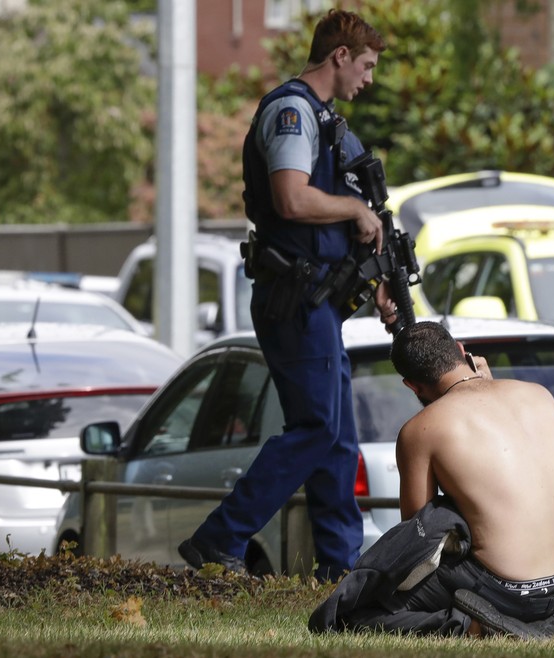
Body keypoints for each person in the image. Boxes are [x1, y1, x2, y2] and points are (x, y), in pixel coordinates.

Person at [179, 9, 396, 582]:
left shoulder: (326, 120)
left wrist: (376, 279)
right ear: (339, 56)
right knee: (316, 428)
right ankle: (219, 540)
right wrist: (354, 208)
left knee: (337, 436)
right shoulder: (293, 111)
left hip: (317, 299)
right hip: (292, 298)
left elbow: (339, 221)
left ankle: (340, 566)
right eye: (367, 65)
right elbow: (292, 201)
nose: (369, 79)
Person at [308, 321, 554, 639]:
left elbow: (418, 536)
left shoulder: (421, 429)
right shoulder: (539, 395)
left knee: (352, 616)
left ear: (412, 386)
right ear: (460, 351)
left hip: (502, 590)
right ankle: (544, 623)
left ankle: (470, 627)